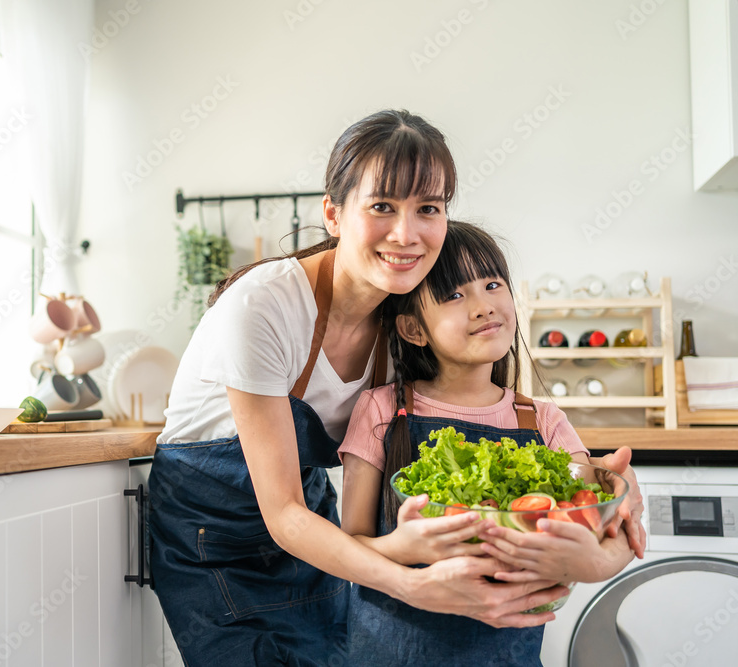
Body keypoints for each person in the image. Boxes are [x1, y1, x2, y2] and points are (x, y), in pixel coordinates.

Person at [147, 109, 645, 667]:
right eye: (382, 206)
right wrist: (410, 583)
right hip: (210, 537)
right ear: (334, 215)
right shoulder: (263, 305)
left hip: (317, 538)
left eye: (428, 209)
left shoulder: (404, 323)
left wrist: (612, 509)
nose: (407, 234)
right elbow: (280, 511)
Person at [339, 220, 637, 666]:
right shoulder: (382, 410)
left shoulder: (543, 420)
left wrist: (609, 523)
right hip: (389, 650)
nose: (483, 306)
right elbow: (350, 545)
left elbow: (594, 519)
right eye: (455, 295)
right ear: (413, 329)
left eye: (492, 284)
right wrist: (403, 547)